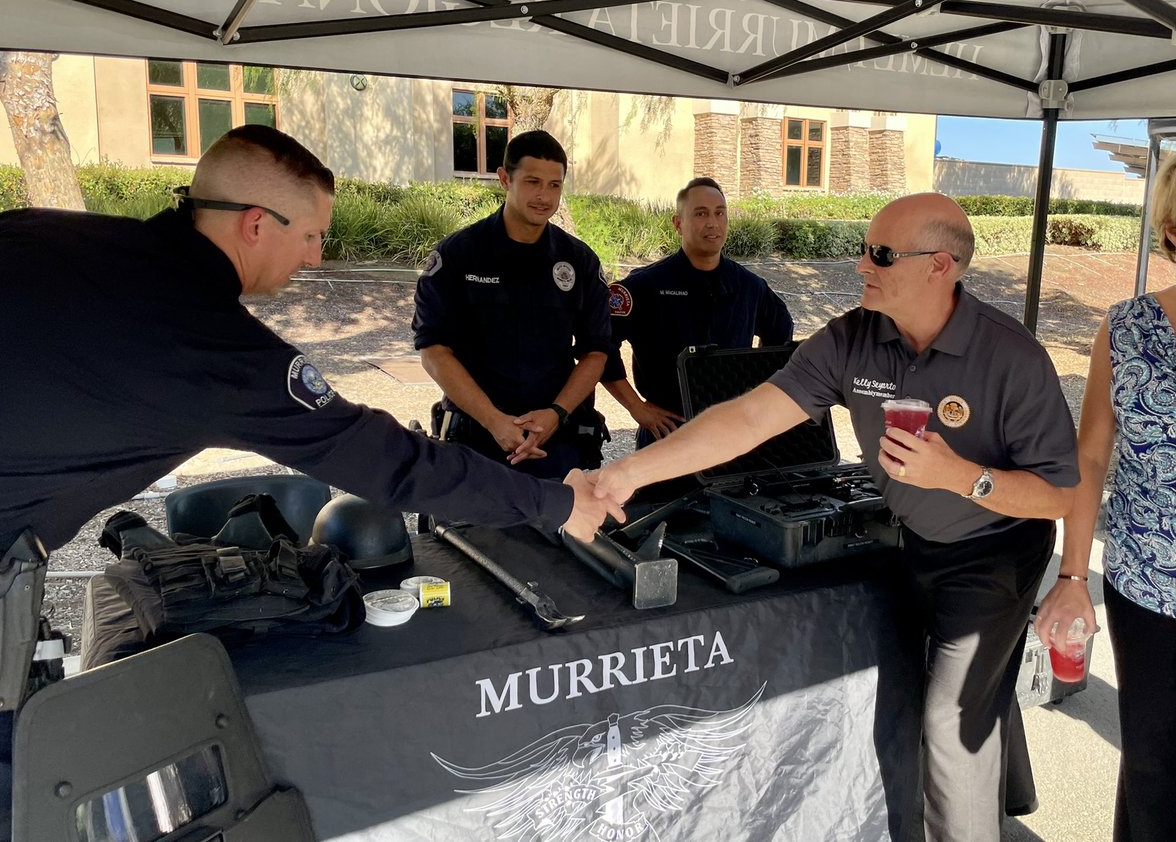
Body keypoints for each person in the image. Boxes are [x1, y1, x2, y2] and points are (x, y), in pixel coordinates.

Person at [0, 125, 622, 842]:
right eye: (312, 235)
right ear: (257, 224)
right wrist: (555, 501)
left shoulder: (32, 233)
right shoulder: (206, 340)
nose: (316, 257)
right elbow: (383, 458)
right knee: (1, 803)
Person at [591, 192, 1079, 842]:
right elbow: (747, 417)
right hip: (909, 538)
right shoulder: (853, 337)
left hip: (995, 549)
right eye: (863, 248)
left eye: (879, 253)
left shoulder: (1011, 357)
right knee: (931, 695)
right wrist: (624, 473)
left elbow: (1057, 495)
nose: (860, 265)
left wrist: (959, 476)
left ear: (940, 265)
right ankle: (999, 789)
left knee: (950, 726)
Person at [1035, 153, 1176, 842]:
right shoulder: (1126, 328)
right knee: (1153, 766)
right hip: (1149, 586)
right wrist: (1070, 576)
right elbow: (1089, 457)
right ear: (1171, 227)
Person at [412, 130, 611, 479]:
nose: (544, 196)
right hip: (476, 440)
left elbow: (596, 353)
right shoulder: (458, 256)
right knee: (470, 534)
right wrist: (494, 421)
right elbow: (433, 350)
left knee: (563, 533)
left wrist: (556, 414)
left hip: (556, 441)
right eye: (533, 181)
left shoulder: (579, 262)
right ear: (505, 178)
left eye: (554, 185)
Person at [601, 177, 793, 448]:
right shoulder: (645, 286)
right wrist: (636, 407)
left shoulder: (749, 287)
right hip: (667, 431)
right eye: (701, 213)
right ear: (678, 223)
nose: (712, 223)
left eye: (720, 213)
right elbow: (600, 345)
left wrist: (756, 393)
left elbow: (780, 334)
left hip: (730, 433)